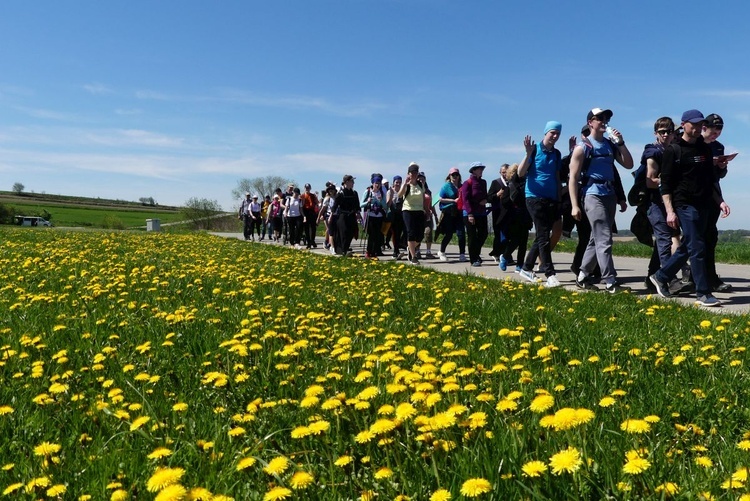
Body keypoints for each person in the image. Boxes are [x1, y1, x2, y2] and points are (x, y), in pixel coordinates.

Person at [649, 109, 730, 307]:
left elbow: (710, 180)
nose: (696, 128)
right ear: (683, 124)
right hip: (684, 204)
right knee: (697, 247)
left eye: (699, 125)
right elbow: (665, 184)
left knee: (688, 245)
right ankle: (703, 293)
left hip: (704, 203)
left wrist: (720, 201)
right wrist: (669, 211)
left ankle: (661, 276)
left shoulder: (705, 148)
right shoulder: (674, 150)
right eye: (692, 125)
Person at [569, 108, 634, 293]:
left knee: (595, 239)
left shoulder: (609, 145)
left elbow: (629, 164)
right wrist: (574, 205)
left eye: (606, 118)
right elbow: (573, 177)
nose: (604, 121)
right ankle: (610, 281)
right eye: (599, 118)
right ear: (590, 122)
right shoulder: (583, 147)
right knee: (604, 237)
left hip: (609, 193)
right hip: (592, 194)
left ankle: (582, 276)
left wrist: (620, 143)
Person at [517, 121, 564, 287]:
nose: (555, 136)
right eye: (552, 133)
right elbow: (520, 173)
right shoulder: (535, 149)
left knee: (542, 235)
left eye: (558, 133)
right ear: (545, 133)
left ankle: (526, 267)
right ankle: (550, 274)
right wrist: (527, 154)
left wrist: (559, 199)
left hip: (551, 199)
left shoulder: (556, 154)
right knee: (543, 234)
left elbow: (557, 177)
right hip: (534, 197)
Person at [643, 117, 683, 292]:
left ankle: (651, 276)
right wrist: (670, 181)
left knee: (665, 240)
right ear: (656, 133)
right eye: (662, 131)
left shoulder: (675, 150)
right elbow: (650, 181)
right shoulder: (653, 152)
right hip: (656, 203)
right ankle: (670, 281)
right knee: (665, 240)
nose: (666, 134)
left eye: (669, 131)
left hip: (673, 203)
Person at [702, 113, 732, 292]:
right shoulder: (695, 144)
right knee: (693, 239)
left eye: (719, 132)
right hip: (693, 196)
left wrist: (722, 166)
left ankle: (710, 277)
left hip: (712, 195)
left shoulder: (718, 147)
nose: (716, 135)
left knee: (710, 237)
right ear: (704, 127)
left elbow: (717, 177)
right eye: (714, 131)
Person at [501, 163, 531, 272]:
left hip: (525, 214)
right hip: (514, 216)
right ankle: (505, 256)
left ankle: (519, 265)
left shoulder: (526, 183)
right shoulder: (510, 185)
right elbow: (505, 202)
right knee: (515, 240)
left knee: (523, 241)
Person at [398, 163, 428, 264]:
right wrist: (404, 184)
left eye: (415, 173)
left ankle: (410, 248)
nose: (414, 175)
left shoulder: (420, 184)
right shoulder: (406, 185)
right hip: (408, 210)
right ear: (408, 174)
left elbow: (423, 198)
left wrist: (426, 210)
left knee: (420, 235)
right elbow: (399, 195)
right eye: (412, 173)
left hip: (419, 211)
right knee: (411, 233)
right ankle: (414, 257)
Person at [460, 162, 489, 267]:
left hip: (481, 212)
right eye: (479, 168)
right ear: (473, 170)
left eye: (482, 168)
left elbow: (486, 195)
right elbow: (465, 199)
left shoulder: (483, 182)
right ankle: (474, 259)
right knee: (472, 236)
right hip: (469, 213)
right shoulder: (467, 183)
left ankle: (475, 253)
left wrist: (486, 199)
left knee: (483, 234)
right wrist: (470, 214)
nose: (481, 170)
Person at [436, 167, 467, 262]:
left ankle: (462, 254)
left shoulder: (461, 186)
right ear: (449, 176)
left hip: (459, 213)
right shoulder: (446, 186)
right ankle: (442, 251)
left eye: (456, 175)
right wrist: (453, 201)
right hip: (449, 213)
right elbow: (440, 198)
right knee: (449, 234)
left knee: (461, 234)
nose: (455, 176)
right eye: (453, 175)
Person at [331, 175, 362, 256]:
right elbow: (335, 206)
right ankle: (344, 250)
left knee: (351, 233)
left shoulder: (354, 193)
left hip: (351, 216)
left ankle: (346, 248)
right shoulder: (340, 193)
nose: (353, 183)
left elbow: (357, 205)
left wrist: (358, 213)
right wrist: (332, 214)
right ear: (347, 182)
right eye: (352, 181)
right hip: (343, 216)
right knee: (343, 233)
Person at [487, 164, 510, 264]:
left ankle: (505, 254)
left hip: (509, 212)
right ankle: (497, 253)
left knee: (508, 234)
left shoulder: (511, 183)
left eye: (506, 172)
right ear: (500, 172)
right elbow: (488, 198)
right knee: (498, 234)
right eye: (503, 172)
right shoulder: (496, 182)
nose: (505, 174)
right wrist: (497, 194)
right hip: (498, 212)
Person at [361, 173, 388, 258]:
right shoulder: (368, 192)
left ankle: (374, 252)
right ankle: (369, 252)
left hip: (379, 216)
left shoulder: (382, 193)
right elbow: (361, 204)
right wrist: (368, 202)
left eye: (379, 183)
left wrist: (381, 201)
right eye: (376, 183)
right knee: (371, 235)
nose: (377, 185)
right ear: (372, 183)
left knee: (377, 235)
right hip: (370, 215)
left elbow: (385, 206)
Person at [387, 175, 407, 260]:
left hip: (402, 214)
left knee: (404, 231)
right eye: (396, 182)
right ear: (393, 183)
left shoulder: (404, 191)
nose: (398, 184)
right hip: (393, 214)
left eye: (399, 182)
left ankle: (400, 245)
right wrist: (391, 196)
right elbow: (388, 204)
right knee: (395, 233)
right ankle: (396, 251)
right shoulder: (390, 191)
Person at [419, 172, 438, 259]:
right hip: (418, 214)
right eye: (419, 178)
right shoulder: (415, 189)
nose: (420, 179)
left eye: (422, 178)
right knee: (418, 233)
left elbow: (431, 204)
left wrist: (435, 215)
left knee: (429, 232)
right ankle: (417, 251)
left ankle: (428, 252)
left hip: (428, 215)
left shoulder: (428, 191)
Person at [317, 183, 338, 250]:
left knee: (335, 231)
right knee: (329, 229)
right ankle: (327, 242)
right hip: (328, 216)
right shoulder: (327, 199)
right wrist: (318, 218)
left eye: (332, 189)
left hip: (336, 216)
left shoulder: (337, 198)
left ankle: (333, 243)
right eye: (329, 190)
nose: (331, 191)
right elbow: (322, 209)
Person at [301, 183, 320, 249]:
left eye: (308, 188)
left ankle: (312, 240)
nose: (307, 189)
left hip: (312, 212)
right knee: (306, 228)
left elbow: (317, 203)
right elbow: (301, 205)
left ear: (310, 188)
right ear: (304, 188)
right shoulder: (302, 196)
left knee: (313, 227)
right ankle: (308, 242)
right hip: (305, 211)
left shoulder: (313, 195)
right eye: (306, 188)